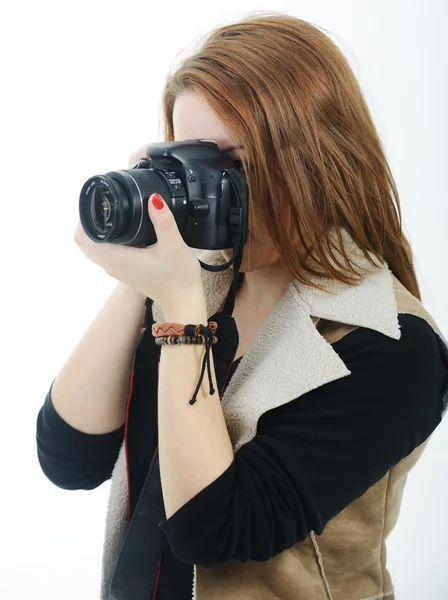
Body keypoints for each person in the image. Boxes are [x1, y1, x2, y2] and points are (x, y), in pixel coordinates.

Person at [36, 12, 448, 600]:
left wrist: (178, 309)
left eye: (236, 163)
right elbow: (69, 456)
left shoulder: (393, 345)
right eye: (191, 160)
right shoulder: (201, 286)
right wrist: (146, 247)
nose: (210, 186)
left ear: (316, 158)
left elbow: (212, 531)